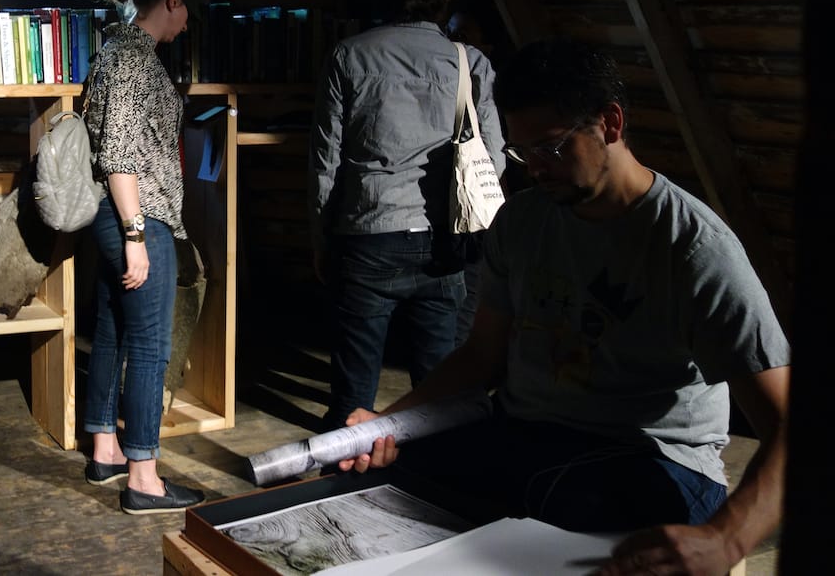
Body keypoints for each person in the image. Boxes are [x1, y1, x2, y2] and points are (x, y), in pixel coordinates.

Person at [337, 39, 791, 576]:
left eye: (549, 148)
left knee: (558, 510)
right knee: (377, 487)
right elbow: (481, 357)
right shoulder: (522, 222)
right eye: (520, 152)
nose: (533, 169)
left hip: (650, 458)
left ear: (611, 124)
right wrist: (386, 425)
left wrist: (726, 540)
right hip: (527, 438)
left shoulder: (691, 249)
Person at [309, 0, 504, 429]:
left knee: (352, 394)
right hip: (444, 244)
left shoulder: (348, 56)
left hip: (367, 236)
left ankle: (341, 490)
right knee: (438, 393)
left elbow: (325, 163)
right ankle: (430, 494)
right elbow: (494, 158)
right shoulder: (470, 62)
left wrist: (319, 238)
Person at [80, 0, 207, 515]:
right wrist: (136, 235)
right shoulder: (135, 62)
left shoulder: (116, 52)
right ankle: (144, 477)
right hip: (138, 216)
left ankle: (104, 447)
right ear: (172, 2)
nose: (187, 25)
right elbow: (120, 158)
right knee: (151, 348)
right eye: (187, 13)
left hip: (111, 218)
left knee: (112, 332)